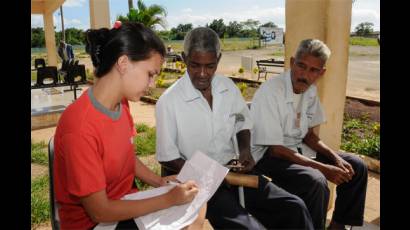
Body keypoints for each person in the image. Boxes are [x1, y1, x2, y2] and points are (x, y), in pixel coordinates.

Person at [155, 27, 314, 230]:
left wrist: (245, 150)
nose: (202, 74)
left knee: (294, 208)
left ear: (218, 59)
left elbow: (242, 121)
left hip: (232, 171)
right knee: (248, 227)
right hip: (200, 184)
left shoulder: (227, 87)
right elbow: (167, 156)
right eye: (195, 65)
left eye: (210, 66)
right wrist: (209, 175)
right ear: (185, 58)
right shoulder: (169, 101)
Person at [53, 22, 205, 230]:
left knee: (197, 203)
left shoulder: (121, 104)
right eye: (150, 74)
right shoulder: (80, 127)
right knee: (189, 220)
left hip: (124, 203)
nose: (152, 85)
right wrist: (168, 199)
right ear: (123, 63)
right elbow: (100, 211)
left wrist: (160, 183)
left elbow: (126, 156)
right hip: (95, 223)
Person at [250, 38, 368, 230]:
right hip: (267, 154)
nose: (304, 75)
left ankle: (337, 226)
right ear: (291, 62)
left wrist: (335, 158)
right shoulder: (270, 92)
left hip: (297, 149)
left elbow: (309, 135)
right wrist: (322, 167)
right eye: (301, 66)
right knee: (316, 180)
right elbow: (275, 149)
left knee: (356, 166)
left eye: (313, 70)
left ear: (322, 73)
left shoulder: (310, 91)